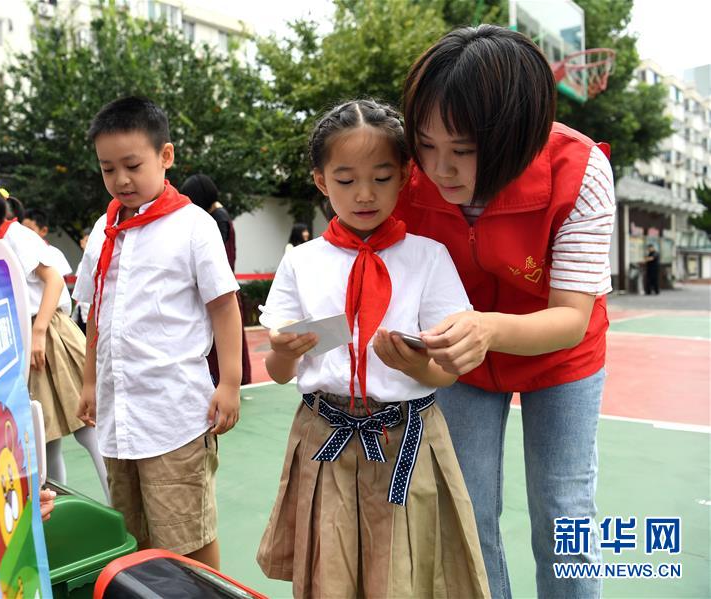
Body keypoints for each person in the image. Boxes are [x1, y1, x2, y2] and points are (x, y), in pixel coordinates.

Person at [393, 25, 616, 599]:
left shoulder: (582, 171)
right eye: (426, 144)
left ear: (518, 137)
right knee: (464, 511)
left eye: (463, 152)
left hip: (560, 358)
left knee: (563, 511)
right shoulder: (407, 169)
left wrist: (487, 329)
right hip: (460, 358)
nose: (439, 170)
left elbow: (569, 316)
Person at [256, 99, 489, 598]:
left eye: (382, 177)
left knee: (406, 577)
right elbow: (278, 371)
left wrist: (421, 367)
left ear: (406, 173)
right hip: (325, 437)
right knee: (330, 579)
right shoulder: (302, 263)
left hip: (408, 434)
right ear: (321, 181)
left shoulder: (428, 258)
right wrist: (285, 350)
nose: (365, 194)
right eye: (345, 180)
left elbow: (448, 372)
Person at [73, 96, 242, 569]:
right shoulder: (104, 229)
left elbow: (225, 307)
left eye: (132, 164)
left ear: (165, 156)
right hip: (119, 415)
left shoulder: (193, 226)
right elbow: (96, 313)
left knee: (187, 532)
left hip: (174, 415)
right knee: (132, 533)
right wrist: (89, 382)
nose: (121, 179)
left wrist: (229, 383)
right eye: (108, 169)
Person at [0, 178, 111, 505]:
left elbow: (53, 278)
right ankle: (55, 506)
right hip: (26, 341)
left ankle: (120, 506)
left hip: (49, 335)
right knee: (45, 435)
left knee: (87, 427)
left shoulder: (16, 236)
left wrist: (39, 331)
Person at [180, 173, 252, 386]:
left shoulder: (215, 220)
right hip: (220, 289)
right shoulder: (220, 216)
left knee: (220, 343)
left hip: (218, 290)